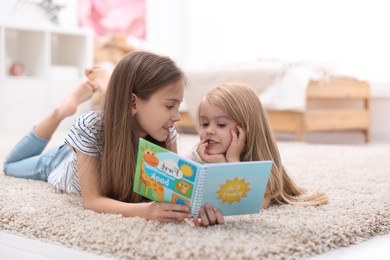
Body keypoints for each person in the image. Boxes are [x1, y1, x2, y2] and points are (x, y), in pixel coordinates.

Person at [3, 51, 193, 224]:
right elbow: (92, 201)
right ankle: (61, 110)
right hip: (62, 161)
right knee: (9, 166)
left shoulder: (167, 131)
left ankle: (108, 87)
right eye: (169, 106)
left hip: (113, 124)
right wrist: (146, 211)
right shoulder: (91, 126)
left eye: (178, 106)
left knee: (120, 114)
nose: (177, 117)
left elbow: (172, 192)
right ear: (133, 101)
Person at [190, 83, 329, 227]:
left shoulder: (259, 167)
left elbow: (255, 203)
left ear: (244, 130)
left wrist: (230, 162)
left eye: (221, 125)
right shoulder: (198, 154)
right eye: (204, 124)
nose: (209, 131)